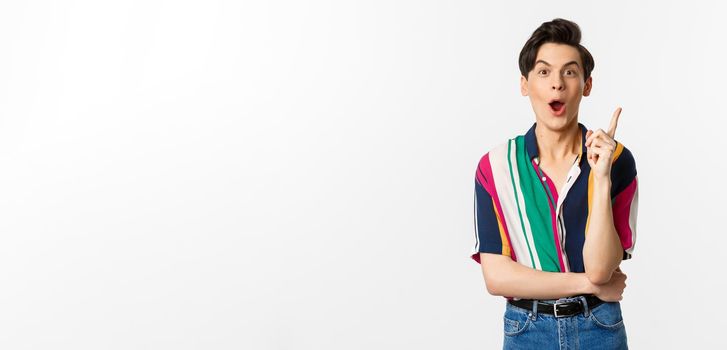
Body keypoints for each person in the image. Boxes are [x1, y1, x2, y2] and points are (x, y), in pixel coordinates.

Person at [470, 18, 638, 349]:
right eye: (544, 72)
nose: (557, 84)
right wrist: (588, 285)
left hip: (599, 327)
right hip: (526, 329)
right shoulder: (495, 166)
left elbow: (602, 269)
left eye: (570, 72)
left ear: (586, 85)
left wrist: (601, 178)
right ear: (524, 83)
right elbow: (497, 277)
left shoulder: (615, 159)